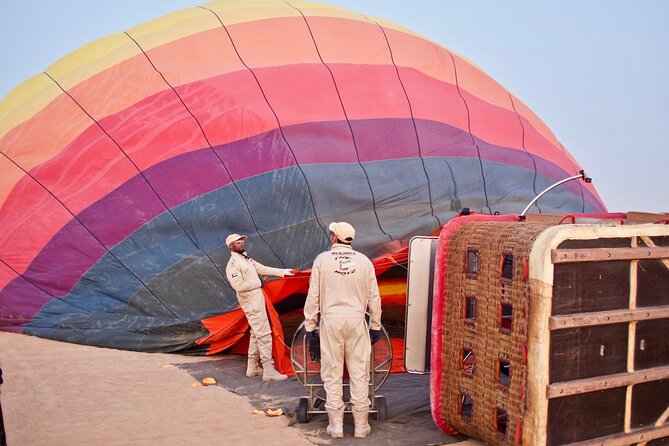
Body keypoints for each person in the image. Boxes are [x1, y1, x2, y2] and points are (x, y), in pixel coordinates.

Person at [303, 222, 382, 439]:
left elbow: (313, 296)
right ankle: (361, 426)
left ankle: (336, 426)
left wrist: (311, 327)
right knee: (359, 372)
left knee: (332, 371)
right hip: (357, 321)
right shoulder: (364, 261)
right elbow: (374, 296)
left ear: (334, 238)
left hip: (331, 322)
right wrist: (375, 324)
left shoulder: (322, 260)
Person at [225, 234, 294, 382]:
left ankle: (252, 367)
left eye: (242, 241)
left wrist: (282, 272)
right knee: (264, 334)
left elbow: (262, 268)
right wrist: (258, 283)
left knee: (256, 332)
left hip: (256, 300)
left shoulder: (246, 259)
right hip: (251, 302)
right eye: (237, 242)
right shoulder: (232, 265)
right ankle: (268, 370)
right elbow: (239, 286)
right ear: (231, 246)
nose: (241, 243)